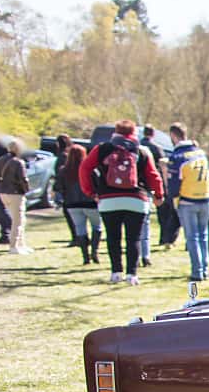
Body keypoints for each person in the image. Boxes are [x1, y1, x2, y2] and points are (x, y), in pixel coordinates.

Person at [80, 119, 164, 285]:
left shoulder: (102, 149)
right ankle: (132, 274)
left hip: (108, 200)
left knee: (113, 237)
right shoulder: (142, 150)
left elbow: (85, 168)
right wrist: (158, 195)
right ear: (134, 133)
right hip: (137, 200)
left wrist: (91, 192)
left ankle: (116, 272)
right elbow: (153, 176)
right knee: (134, 238)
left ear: (116, 132)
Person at [168, 127, 209, 284]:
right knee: (203, 235)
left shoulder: (178, 156)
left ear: (173, 135)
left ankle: (197, 271)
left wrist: (174, 199)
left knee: (192, 237)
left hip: (188, 200)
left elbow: (174, 183)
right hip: (205, 197)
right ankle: (205, 269)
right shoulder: (200, 153)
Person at [58, 135, 99, 263]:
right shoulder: (90, 170)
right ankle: (94, 251)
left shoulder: (63, 171)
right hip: (90, 202)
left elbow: (59, 187)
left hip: (72, 204)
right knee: (96, 227)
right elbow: (98, 185)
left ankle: (85, 256)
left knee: (80, 229)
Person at [0, 139, 32, 255]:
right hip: (15, 193)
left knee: (17, 219)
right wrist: (26, 190)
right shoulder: (18, 162)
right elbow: (23, 179)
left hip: (3, 192)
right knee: (18, 221)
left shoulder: (0, 160)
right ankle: (14, 246)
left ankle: (21, 244)